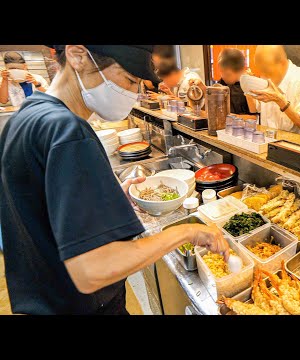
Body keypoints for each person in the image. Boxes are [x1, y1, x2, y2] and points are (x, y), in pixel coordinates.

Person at [0, 45, 229, 315]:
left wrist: (100, 201)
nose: (134, 92)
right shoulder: (68, 131)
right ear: (77, 56)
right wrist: (187, 231)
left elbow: (39, 212)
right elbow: (92, 271)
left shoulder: (28, 114)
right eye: (129, 80)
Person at [246, 45, 300, 135]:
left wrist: (279, 99)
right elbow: (255, 109)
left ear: (281, 63)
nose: (263, 74)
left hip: (290, 144)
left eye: (266, 70)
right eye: (262, 70)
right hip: (264, 139)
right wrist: (247, 89)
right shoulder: (265, 75)